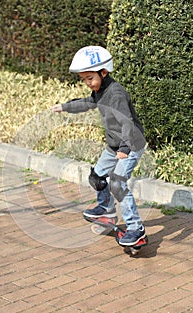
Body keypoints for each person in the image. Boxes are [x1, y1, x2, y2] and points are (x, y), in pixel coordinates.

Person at [52, 46, 146, 246]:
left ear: (104, 72)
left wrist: (124, 149)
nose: (87, 83)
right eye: (84, 79)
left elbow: (127, 122)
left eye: (90, 78)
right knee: (97, 177)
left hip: (130, 144)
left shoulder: (116, 94)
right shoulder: (100, 91)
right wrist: (65, 107)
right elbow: (87, 103)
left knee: (117, 184)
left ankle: (136, 229)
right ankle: (106, 209)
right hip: (114, 146)